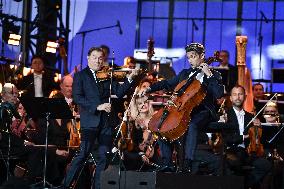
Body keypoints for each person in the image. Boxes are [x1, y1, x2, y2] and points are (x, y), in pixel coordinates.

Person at [141, 42, 224, 172]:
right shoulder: (185, 73)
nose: (190, 60)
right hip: (183, 109)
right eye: (188, 57)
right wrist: (150, 88)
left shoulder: (213, 75)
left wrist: (209, 75)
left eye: (193, 56)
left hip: (203, 111)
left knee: (191, 125)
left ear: (202, 56)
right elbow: (168, 83)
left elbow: (219, 93)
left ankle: (188, 162)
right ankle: (167, 163)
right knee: (161, 125)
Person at [62, 47, 138, 189]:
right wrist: (98, 106)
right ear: (88, 58)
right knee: (83, 154)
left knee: (104, 157)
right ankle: (65, 185)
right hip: (90, 121)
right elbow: (78, 97)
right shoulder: (81, 76)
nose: (98, 60)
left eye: (100, 58)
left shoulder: (107, 75)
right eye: (95, 57)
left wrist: (130, 78)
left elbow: (120, 92)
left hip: (106, 123)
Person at [223, 85, 271, 188]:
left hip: (248, 152)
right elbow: (226, 138)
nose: (237, 97)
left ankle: (244, 185)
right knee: (235, 162)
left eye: (240, 94)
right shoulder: (225, 115)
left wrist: (259, 126)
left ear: (245, 97)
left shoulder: (251, 117)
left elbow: (259, 138)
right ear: (230, 98)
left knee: (265, 164)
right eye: (235, 94)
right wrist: (243, 137)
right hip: (231, 151)